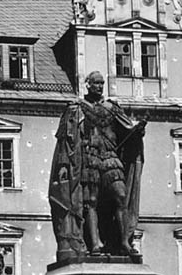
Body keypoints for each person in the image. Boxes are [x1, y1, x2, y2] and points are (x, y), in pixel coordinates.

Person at [49, 70, 145, 260]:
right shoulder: (77, 107)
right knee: (90, 201)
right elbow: (65, 141)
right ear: (88, 85)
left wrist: (137, 131)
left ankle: (124, 241)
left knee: (120, 196)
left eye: (102, 83)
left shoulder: (112, 107)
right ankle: (95, 243)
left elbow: (127, 130)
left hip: (111, 158)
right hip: (88, 158)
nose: (100, 86)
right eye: (96, 83)